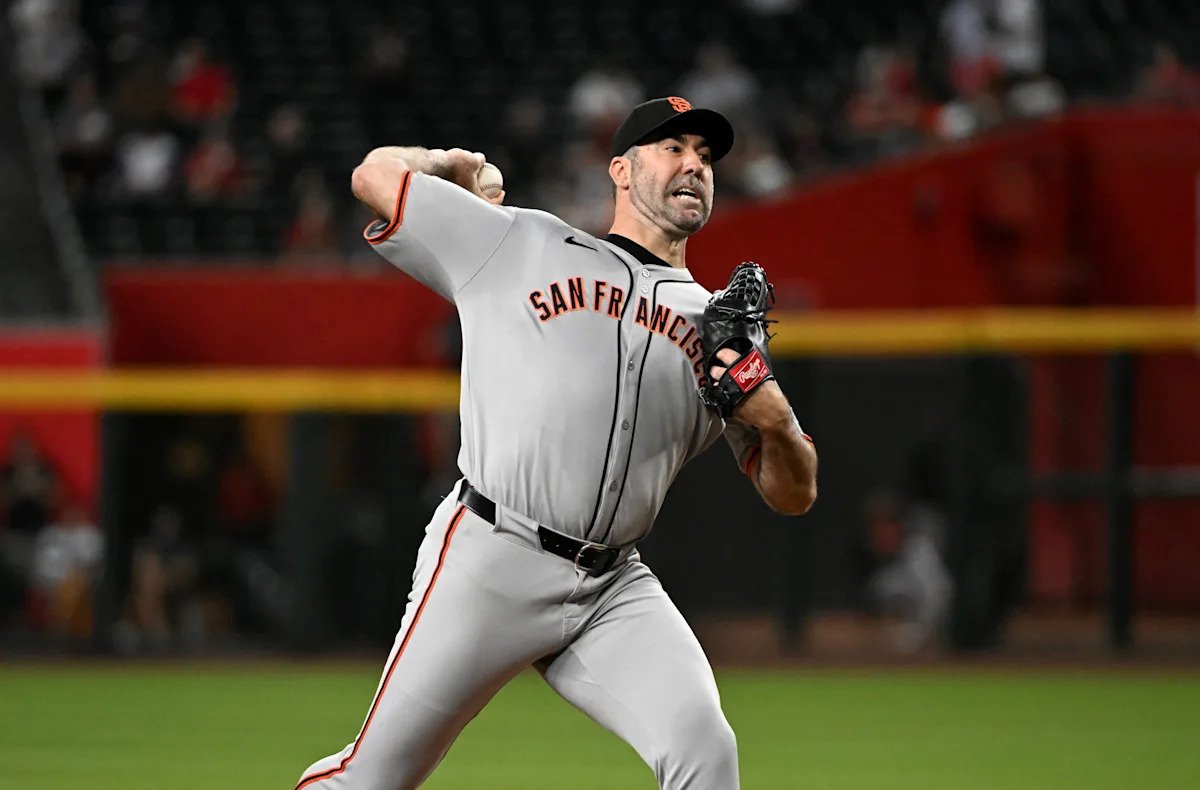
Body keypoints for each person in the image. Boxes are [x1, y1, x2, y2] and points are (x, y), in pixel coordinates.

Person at [295, 97, 818, 789]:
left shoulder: (718, 328)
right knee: (371, 778)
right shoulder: (520, 242)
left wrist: (777, 421)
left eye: (705, 155)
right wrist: (444, 165)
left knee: (705, 749)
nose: (694, 164)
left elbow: (793, 495)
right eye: (673, 148)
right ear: (621, 171)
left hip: (611, 587)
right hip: (492, 557)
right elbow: (372, 176)